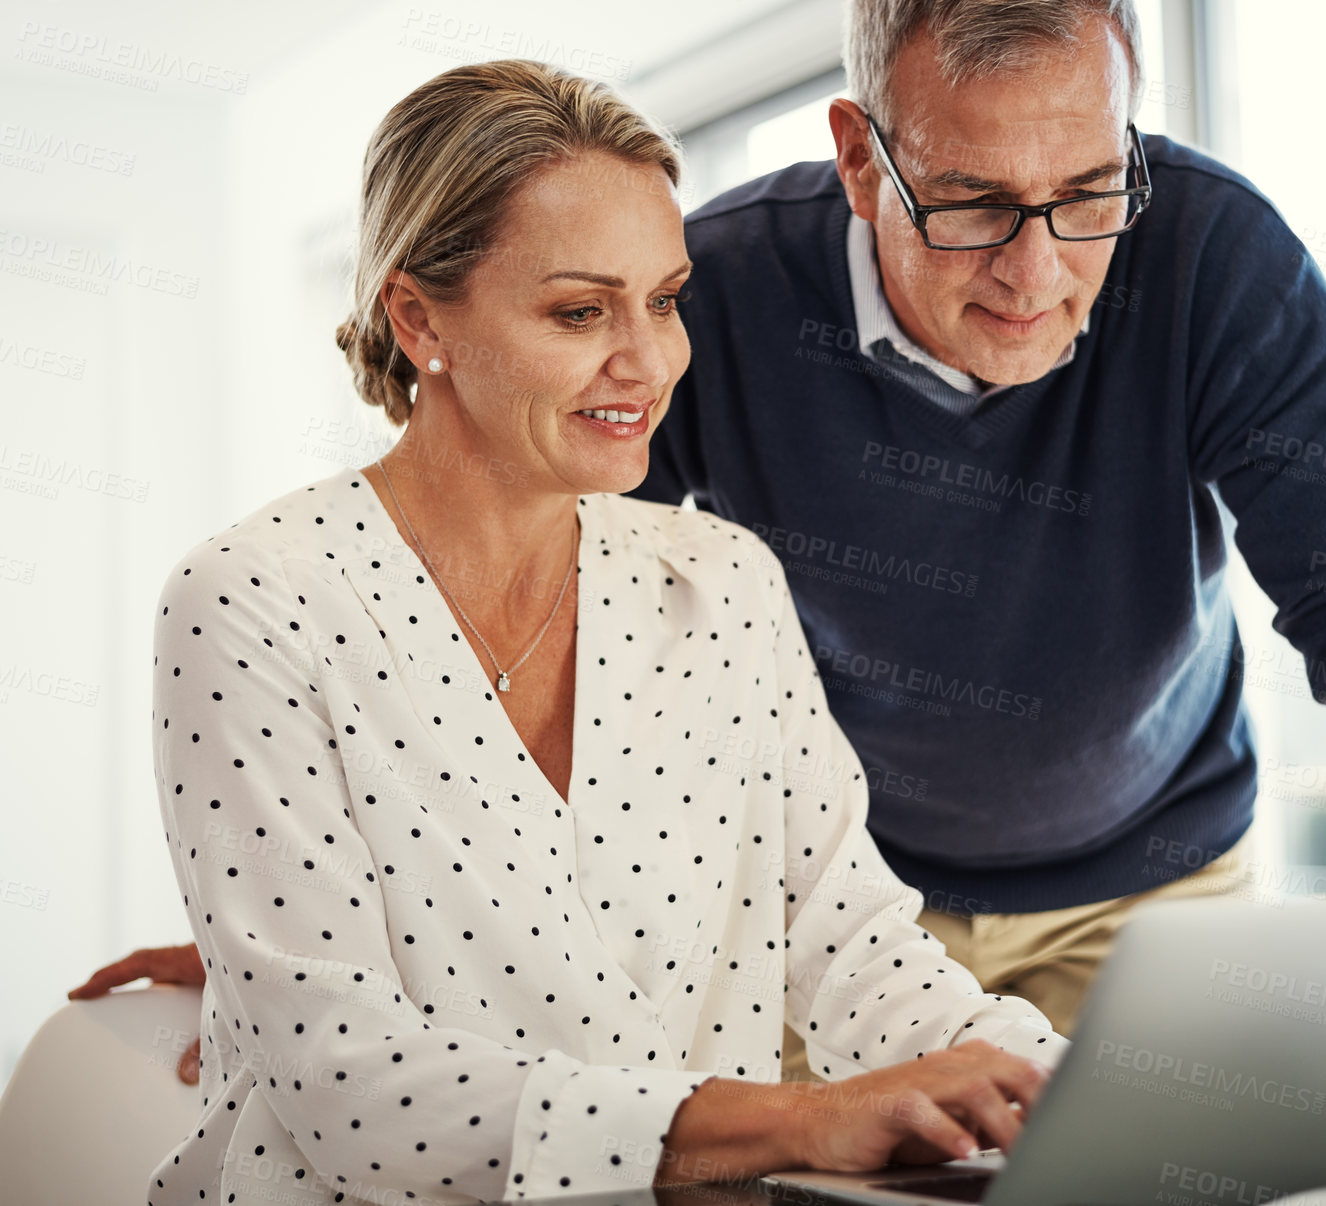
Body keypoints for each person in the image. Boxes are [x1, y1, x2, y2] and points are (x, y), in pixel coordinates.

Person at [80, 0, 1326, 1178]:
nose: (1039, 270)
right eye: (976, 203)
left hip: (1136, 867)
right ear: (864, 159)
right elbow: (508, 681)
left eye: (1089, 193)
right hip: (861, 885)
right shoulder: (709, 300)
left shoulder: (1201, 257)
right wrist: (288, 945)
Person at [133, 60, 1062, 1206]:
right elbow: (346, 1084)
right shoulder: (251, 602)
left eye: (665, 300)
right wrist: (793, 1122)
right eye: (580, 312)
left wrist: (1051, 1084)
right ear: (419, 317)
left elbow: (854, 948)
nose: (649, 360)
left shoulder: (720, 582)